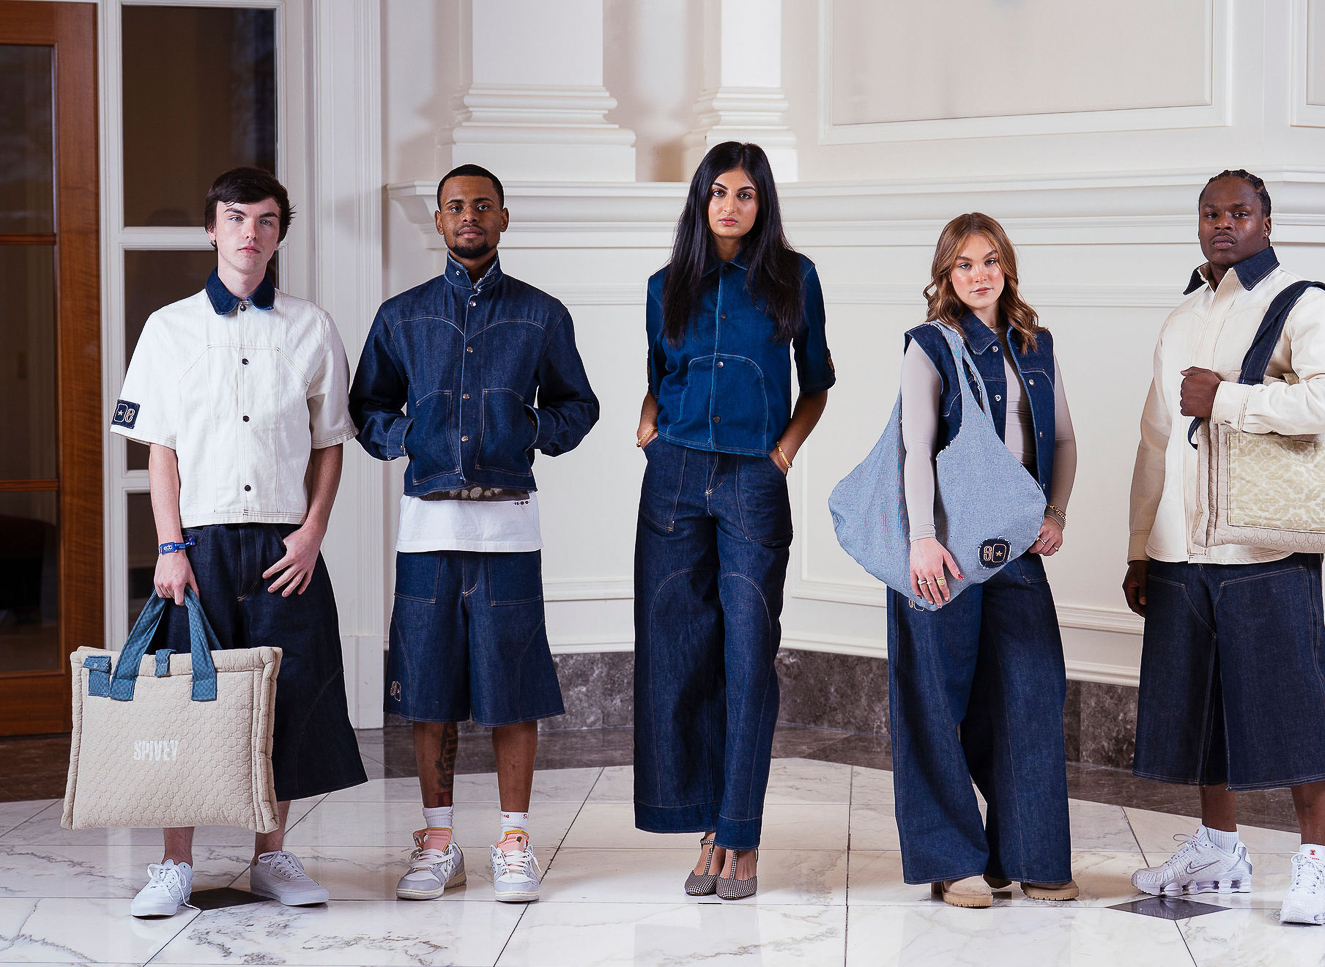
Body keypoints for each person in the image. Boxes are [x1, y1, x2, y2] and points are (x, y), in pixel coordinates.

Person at [111, 167, 368, 918]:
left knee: (287, 699)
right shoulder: (169, 328)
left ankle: (271, 856)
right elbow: (158, 447)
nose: (249, 233)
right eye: (235, 218)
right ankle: (174, 864)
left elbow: (331, 443)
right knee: (190, 701)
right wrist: (168, 546)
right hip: (197, 544)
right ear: (212, 229)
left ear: (279, 233)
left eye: (264, 220)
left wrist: (313, 532)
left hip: (284, 548)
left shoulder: (312, 327)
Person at [350, 163, 598, 904]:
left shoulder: (541, 315)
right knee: (428, 692)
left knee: (512, 691)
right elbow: (367, 408)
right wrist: (410, 436)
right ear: (437, 221)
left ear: (504, 218)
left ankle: (514, 841)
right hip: (426, 531)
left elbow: (577, 406)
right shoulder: (400, 316)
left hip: (509, 533)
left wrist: (528, 428)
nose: (469, 218)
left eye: (482, 206)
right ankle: (436, 842)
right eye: (455, 207)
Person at [1123, 170, 1325, 925]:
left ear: (1266, 220)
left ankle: (1315, 864)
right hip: (1180, 552)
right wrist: (1139, 546)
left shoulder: (1302, 301)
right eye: (1210, 212)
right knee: (1199, 708)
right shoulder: (1180, 316)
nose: (1222, 224)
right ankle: (1219, 849)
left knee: (1293, 701)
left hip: (1266, 549)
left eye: (1239, 212)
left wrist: (1226, 397)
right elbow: (1155, 439)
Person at [633, 141, 834, 900]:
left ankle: (739, 834)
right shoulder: (665, 286)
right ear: (700, 198)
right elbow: (659, 377)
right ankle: (705, 821)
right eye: (719, 192)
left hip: (753, 477)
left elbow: (815, 383)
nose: (730, 205)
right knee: (680, 652)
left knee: (748, 654)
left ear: (762, 203)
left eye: (746, 194)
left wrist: (781, 454)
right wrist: (649, 425)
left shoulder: (794, 278)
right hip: (675, 478)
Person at [886, 213, 1078, 908]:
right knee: (938, 703)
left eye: (990, 261)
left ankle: (1031, 855)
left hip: (1013, 548)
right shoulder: (930, 345)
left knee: (1030, 692)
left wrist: (1054, 514)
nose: (979, 274)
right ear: (946, 274)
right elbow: (915, 448)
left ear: (1007, 267)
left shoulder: (1035, 342)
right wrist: (920, 538)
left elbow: (1060, 441)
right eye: (964, 264)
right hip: (940, 551)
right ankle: (952, 860)